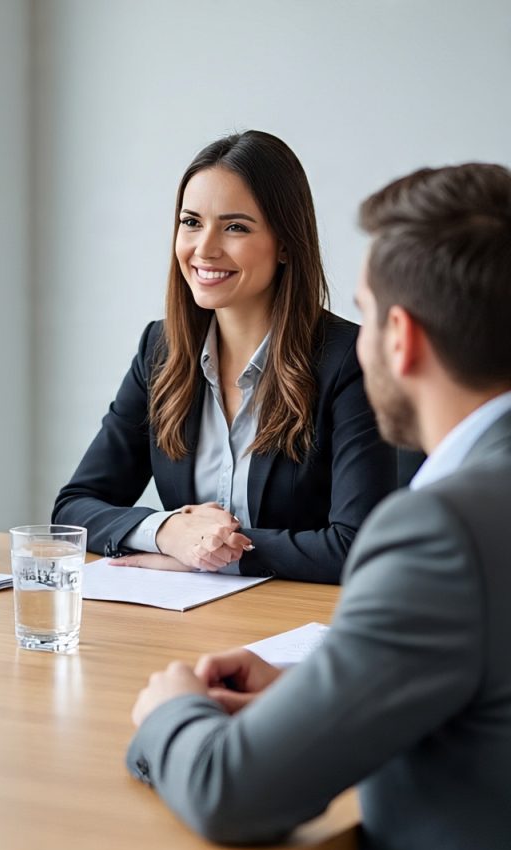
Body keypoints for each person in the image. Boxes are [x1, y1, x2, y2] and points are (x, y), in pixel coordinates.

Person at [129, 161, 511, 850]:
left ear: (401, 340)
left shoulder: (440, 530)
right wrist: (313, 686)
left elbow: (233, 793)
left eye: (368, 317)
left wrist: (169, 712)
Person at [53, 131, 396, 584]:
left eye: (235, 227)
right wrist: (166, 530)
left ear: (287, 244)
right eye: (191, 222)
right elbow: (75, 508)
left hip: (296, 628)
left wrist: (214, 554)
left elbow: (357, 546)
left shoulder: (348, 361)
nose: (204, 248)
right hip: (191, 621)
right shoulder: (160, 351)